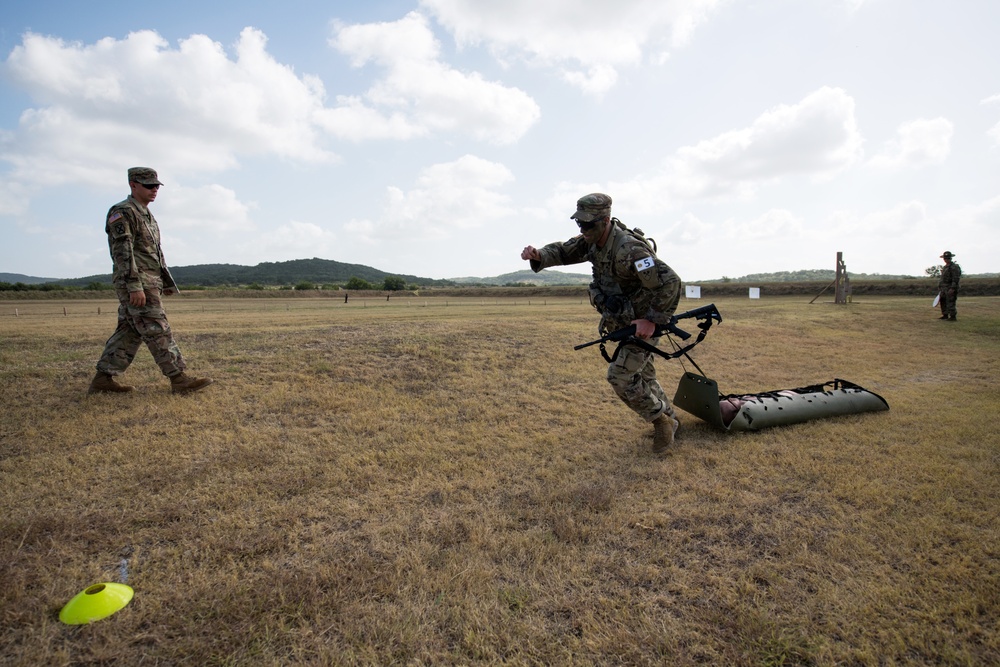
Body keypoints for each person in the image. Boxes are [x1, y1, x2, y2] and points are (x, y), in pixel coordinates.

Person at [521, 193, 682, 453]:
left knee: (620, 375)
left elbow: (671, 281)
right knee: (643, 374)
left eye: (588, 224)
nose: (582, 230)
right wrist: (539, 255)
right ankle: (673, 420)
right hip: (622, 322)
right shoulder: (592, 240)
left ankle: (660, 421)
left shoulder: (630, 249)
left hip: (642, 324)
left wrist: (652, 320)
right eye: (579, 224)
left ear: (605, 220)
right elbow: (563, 251)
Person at [89, 167, 213, 395]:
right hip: (138, 284)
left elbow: (152, 252)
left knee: (129, 331)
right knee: (157, 328)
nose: (154, 189)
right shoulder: (123, 212)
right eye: (148, 185)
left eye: (156, 185)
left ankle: (102, 380)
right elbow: (123, 253)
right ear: (133, 184)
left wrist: (164, 282)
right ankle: (179, 379)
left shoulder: (146, 214)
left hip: (149, 282)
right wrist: (134, 286)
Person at [937, 251, 961, 321]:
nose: (946, 259)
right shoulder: (945, 267)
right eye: (945, 258)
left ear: (950, 258)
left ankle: (953, 316)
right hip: (943, 288)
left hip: (950, 287)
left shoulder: (954, 267)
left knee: (950, 302)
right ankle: (945, 315)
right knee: (943, 301)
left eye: (947, 258)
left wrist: (953, 288)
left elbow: (955, 278)